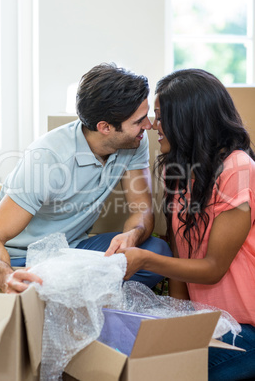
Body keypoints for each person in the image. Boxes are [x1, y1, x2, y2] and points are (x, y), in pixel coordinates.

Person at [106, 69, 255, 381]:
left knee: (158, 373)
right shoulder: (176, 169)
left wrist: (144, 259)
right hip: (204, 322)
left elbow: (213, 267)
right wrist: (175, 317)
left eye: (160, 117)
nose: (152, 126)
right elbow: (178, 250)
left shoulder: (238, 169)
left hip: (245, 327)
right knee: (121, 358)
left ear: (188, 120)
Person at [0, 63, 172, 294]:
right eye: (139, 121)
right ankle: (63, 291)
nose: (150, 126)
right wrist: (6, 278)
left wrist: (131, 236)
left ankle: (67, 293)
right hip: (25, 257)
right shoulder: (47, 159)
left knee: (156, 253)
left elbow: (141, 210)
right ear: (104, 127)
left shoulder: (134, 142)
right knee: (39, 284)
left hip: (73, 248)